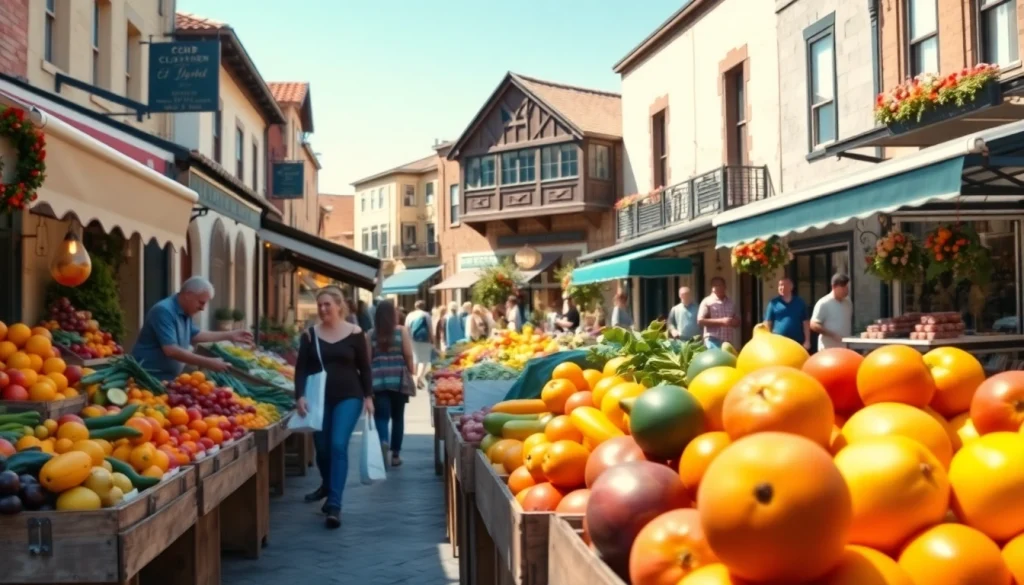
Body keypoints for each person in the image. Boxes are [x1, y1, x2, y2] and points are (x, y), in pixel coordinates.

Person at [294, 286, 373, 529]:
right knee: (322, 447)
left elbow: (365, 367)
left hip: (349, 396)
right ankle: (328, 484)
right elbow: (301, 369)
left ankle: (335, 505)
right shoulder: (309, 335)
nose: (323, 309)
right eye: (320, 305)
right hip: (319, 399)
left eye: (328, 304)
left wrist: (368, 397)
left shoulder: (356, 333)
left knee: (338, 444)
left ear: (339, 306)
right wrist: (300, 396)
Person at [132, 276, 253, 380]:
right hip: (148, 376)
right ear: (188, 295)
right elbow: (171, 350)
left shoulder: (185, 311)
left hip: (167, 377)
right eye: (201, 302)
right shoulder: (164, 311)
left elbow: (195, 335)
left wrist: (229, 335)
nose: (203, 308)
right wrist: (208, 362)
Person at [369, 300, 415, 468]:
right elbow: (408, 354)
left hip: (378, 380)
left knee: (381, 417)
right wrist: (411, 371)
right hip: (398, 380)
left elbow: (368, 360)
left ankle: (383, 441)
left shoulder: (371, 334)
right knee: (398, 417)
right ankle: (395, 455)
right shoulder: (401, 331)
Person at [764, 277, 810, 349]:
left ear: (791, 287)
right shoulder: (774, 303)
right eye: (779, 285)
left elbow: (805, 323)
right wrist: (766, 340)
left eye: (783, 285)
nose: (781, 287)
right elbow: (767, 323)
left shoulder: (800, 302)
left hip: (797, 342)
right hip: (778, 342)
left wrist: (807, 340)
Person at [811, 273, 854, 351]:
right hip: (828, 348)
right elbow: (813, 324)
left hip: (844, 348)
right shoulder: (824, 303)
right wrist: (832, 335)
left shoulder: (848, 302)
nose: (846, 290)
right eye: (843, 288)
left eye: (847, 287)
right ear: (834, 287)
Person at [697, 277, 739, 349]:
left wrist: (733, 322)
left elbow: (737, 321)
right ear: (712, 288)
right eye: (716, 285)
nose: (718, 287)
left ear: (725, 286)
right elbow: (700, 320)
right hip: (712, 340)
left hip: (727, 341)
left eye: (720, 285)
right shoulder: (707, 302)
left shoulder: (731, 303)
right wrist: (721, 321)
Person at [405, 300, 432, 388]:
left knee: (415, 359)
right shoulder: (426, 315)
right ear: (423, 306)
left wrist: (408, 339)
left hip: (412, 339)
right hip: (424, 339)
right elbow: (430, 328)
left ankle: (415, 378)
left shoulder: (410, 315)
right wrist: (432, 339)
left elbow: (407, 327)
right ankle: (419, 377)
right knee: (423, 360)